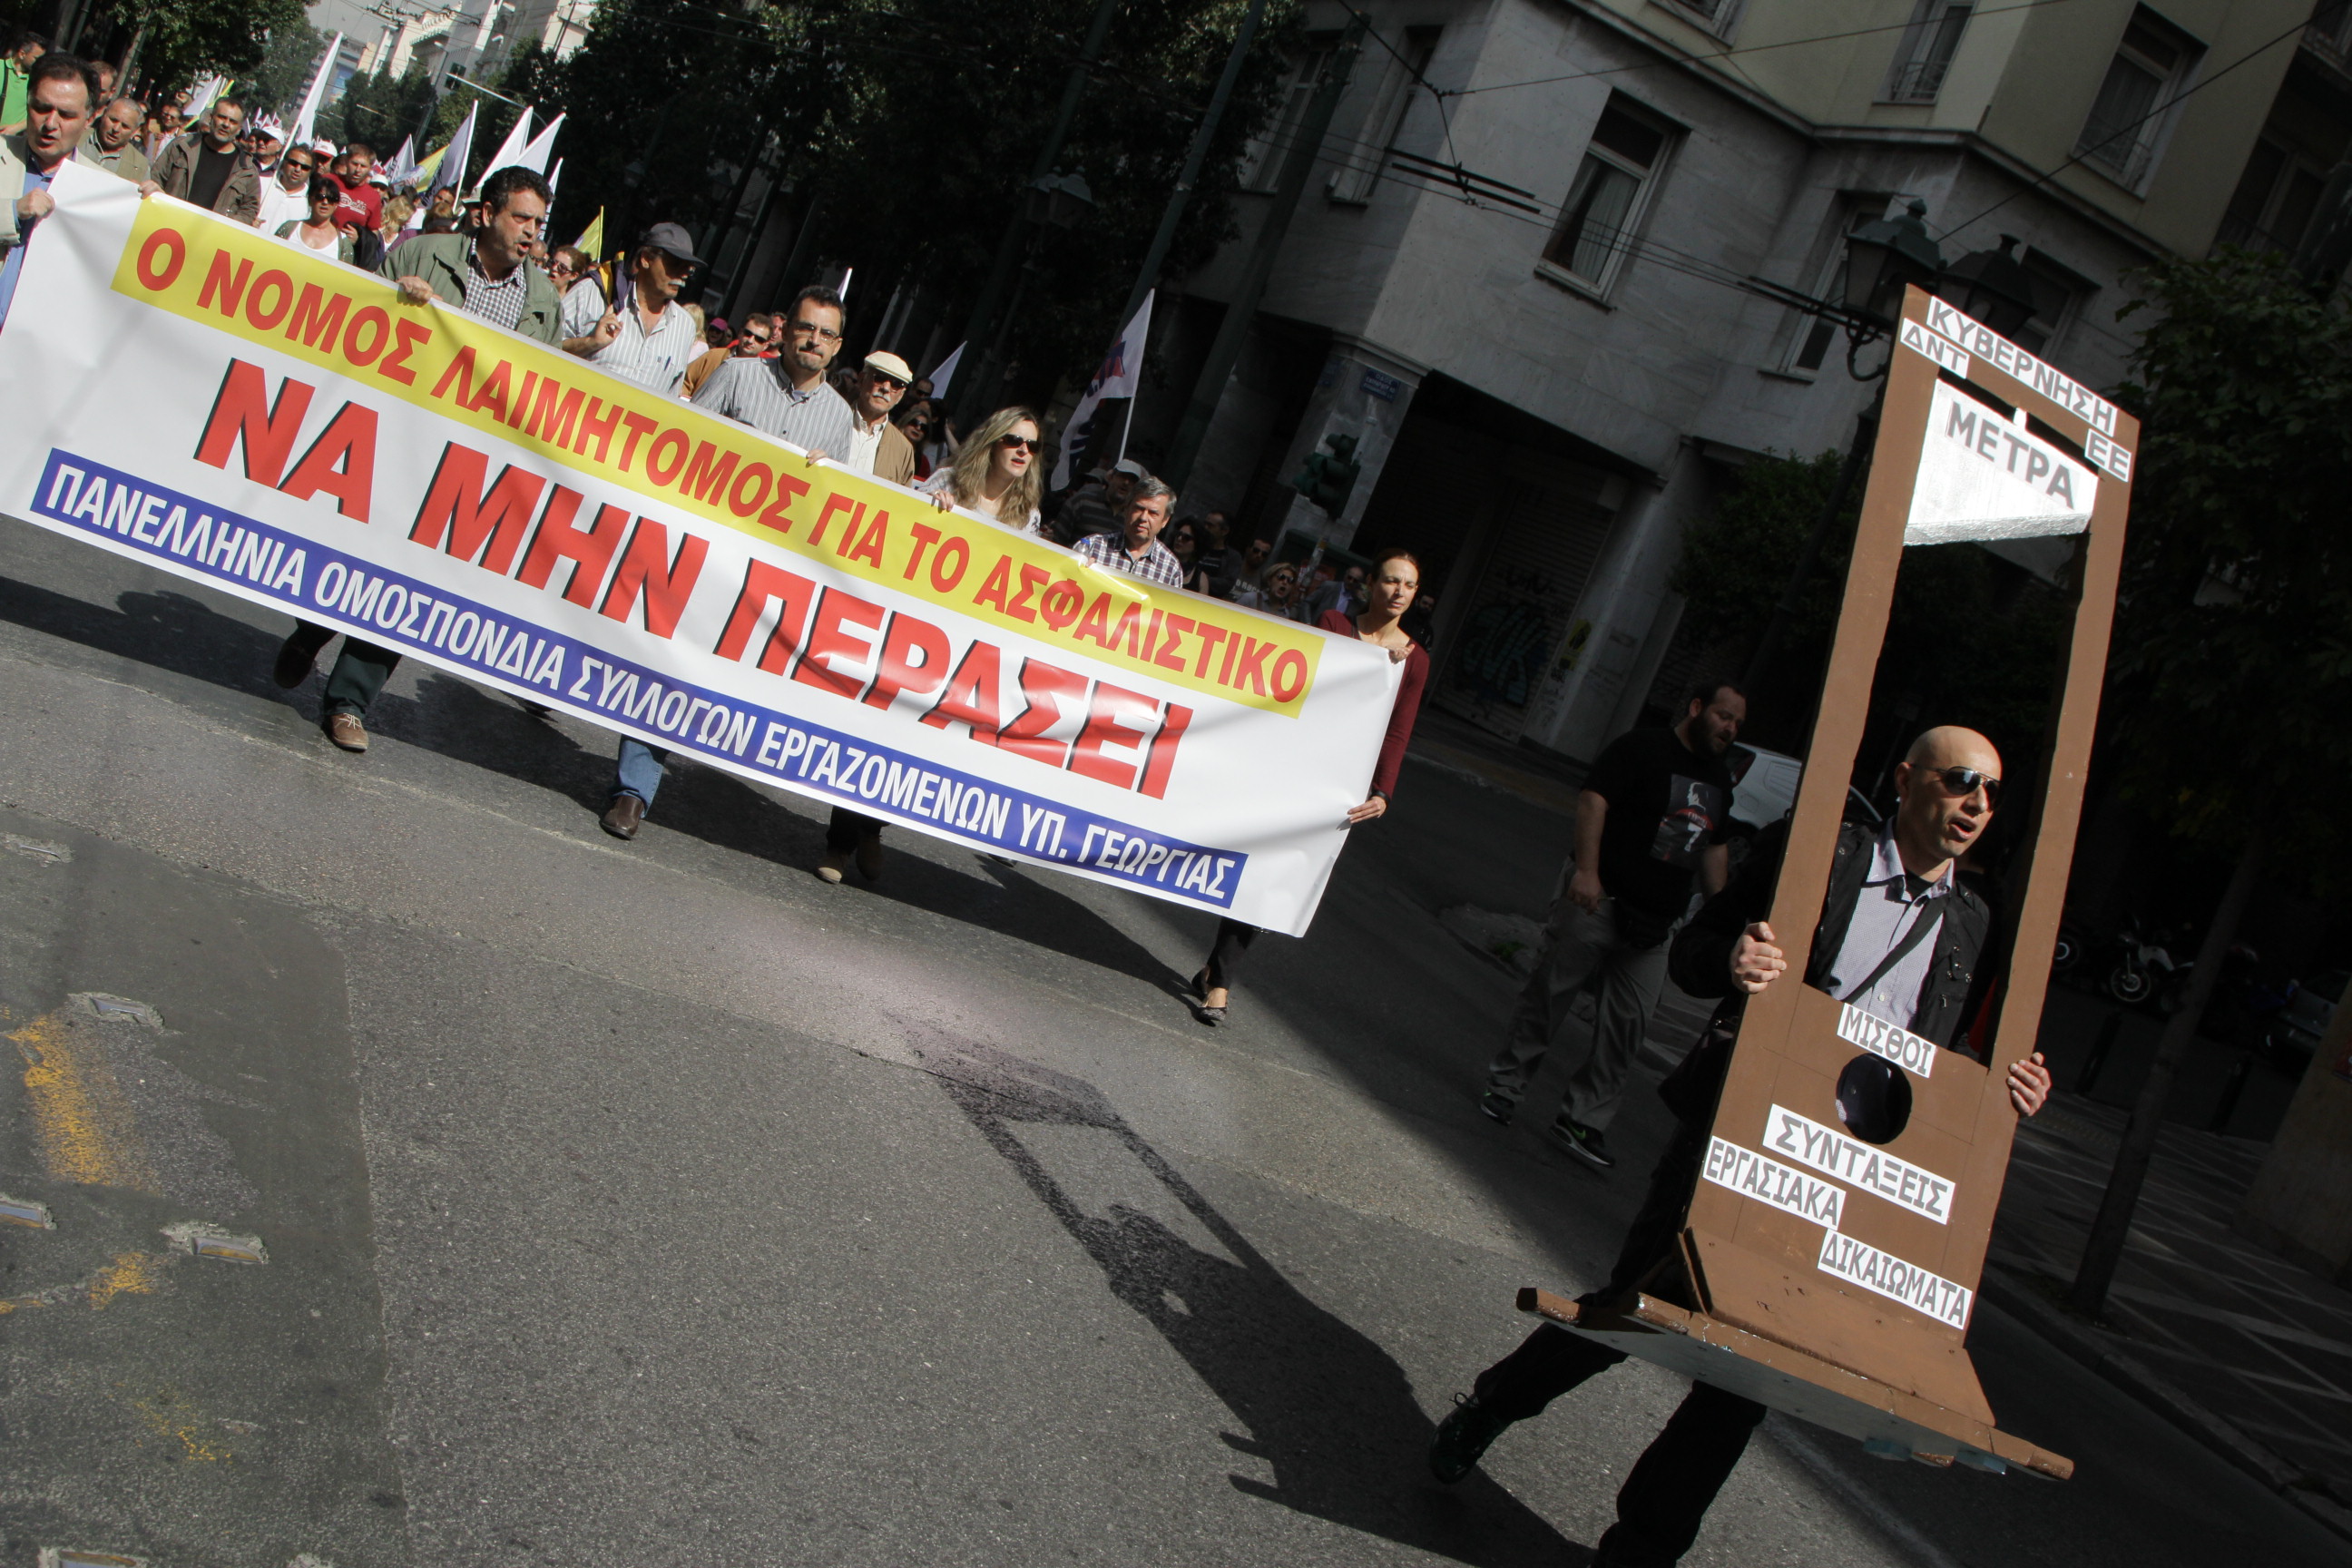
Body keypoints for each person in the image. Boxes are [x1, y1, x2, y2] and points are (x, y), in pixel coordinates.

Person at [1430, 725, 2053, 1568]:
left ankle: (1641, 1549)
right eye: (1960, 782)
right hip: (1735, 1134)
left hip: (1840, 1175)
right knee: (1638, 1307)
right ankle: (1496, 1403)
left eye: (1991, 792)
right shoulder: (1821, 858)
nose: (1977, 805)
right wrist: (1735, 958)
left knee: (1747, 1374)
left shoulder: (1973, 922)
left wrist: (2010, 1089)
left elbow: (1948, 1067)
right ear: (1907, 781)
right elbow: (1694, 953)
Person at [267, 166, 559, 754]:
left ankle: (349, 703)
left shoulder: (543, 300)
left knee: (407, 583)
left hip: (465, 461)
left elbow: (537, 384)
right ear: (486, 214)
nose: (532, 232)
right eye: (521, 218)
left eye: (539, 222)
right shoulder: (424, 253)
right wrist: (397, 299)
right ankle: (311, 630)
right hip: (395, 436)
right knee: (357, 554)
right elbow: (355, 314)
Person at [1479, 681, 1747, 1169]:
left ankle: (1582, 1119)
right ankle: (1506, 1086)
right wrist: (1586, 871)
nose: (1730, 729)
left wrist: (1720, 916)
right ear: (1696, 708)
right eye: (1723, 716)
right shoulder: (1641, 747)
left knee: (1628, 1027)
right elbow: (1593, 800)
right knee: (1548, 997)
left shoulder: (1720, 782)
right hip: (1598, 902)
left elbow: (1714, 849)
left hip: (1656, 926)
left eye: (1737, 723)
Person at [1190, 548, 1432, 1024]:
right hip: (1296, 764)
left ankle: (1216, 972)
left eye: (1408, 585)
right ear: (1371, 585)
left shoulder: (1416, 660)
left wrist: (1382, 791)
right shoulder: (1333, 624)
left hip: (1341, 783)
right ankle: (1219, 983)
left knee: (1279, 873)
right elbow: (1313, 684)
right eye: (1390, 580)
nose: (1398, 592)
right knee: (1256, 862)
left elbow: (1398, 731)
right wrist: (1375, 664)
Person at [0, 53, 98, 328]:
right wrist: (12, 211)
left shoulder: (103, 187)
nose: (50, 124)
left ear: (89, 118)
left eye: (66, 114)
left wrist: (152, 208)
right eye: (42, 108)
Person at [566, 222, 704, 397]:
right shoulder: (592, 292)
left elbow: (671, 398)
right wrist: (590, 343)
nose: (683, 275)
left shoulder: (685, 327)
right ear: (646, 259)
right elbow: (544, 348)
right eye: (675, 263)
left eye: (689, 269)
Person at [915, 406, 1044, 535]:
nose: (1024, 450)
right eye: (1014, 440)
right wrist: (927, 502)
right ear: (993, 442)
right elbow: (908, 521)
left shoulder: (1029, 515)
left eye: (1032, 445)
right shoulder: (948, 481)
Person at [151, 96, 260, 226]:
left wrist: (228, 225)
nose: (226, 124)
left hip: (210, 236)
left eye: (233, 121)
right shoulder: (182, 147)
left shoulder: (247, 169)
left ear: (239, 128)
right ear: (211, 118)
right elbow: (155, 179)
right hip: (168, 225)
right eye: (222, 117)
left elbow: (249, 210)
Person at [1073, 478, 1184, 589]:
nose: (1143, 518)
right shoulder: (1091, 547)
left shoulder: (1171, 569)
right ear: (1126, 509)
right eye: (1138, 509)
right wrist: (1079, 574)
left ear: (1165, 521)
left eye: (1153, 513)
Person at [841, 350, 917, 484]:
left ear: (900, 396)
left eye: (896, 384)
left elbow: (900, 495)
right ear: (861, 380)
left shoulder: (903, 449)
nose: (886, 388)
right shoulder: (830, 419)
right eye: (880, 378)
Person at [680, 309, 772, 399]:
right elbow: (684, 382)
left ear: (766, 345)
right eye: (748, 334)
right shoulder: (714, 356)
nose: (750, 341)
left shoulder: (762, 377)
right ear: (740, 333)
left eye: (759, 339)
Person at [1054, 456, 1140, 544]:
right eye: (1122, 476)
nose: (1126, 482)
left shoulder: (1132, 519)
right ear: (1110, 478)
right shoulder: (1082, 502)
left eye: (1132, 480)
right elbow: (1057, 540)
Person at [275, 172, 355, 263]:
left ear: (336, 205)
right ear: (310, 200)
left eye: (331, 199)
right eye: (320, 197)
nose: (325, 202)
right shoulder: (289, 228)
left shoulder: (343, 244)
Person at [252, 134, 317, 235]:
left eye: (305, 167)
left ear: (310, 172)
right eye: (293, 163)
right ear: (283, 163)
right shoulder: (259, 183)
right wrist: (247, 219)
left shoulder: (310, 203)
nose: (298, 169)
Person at [83, 94, 146, 182]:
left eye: (125, 126)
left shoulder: (140, 165)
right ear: (104, 115)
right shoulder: (78, 137)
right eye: (113, 120)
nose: (116, 129)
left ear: (135, 130)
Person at [550, 242, 605, 340]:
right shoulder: (534, 288)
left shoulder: (572, 304)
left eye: (562, 268)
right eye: (553, 262)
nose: (554, 268)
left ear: (573, 276)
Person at [1233, 559, 1308, 622]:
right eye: (1281, 577)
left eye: (1290, 580)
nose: (1285, 582)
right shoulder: (1250, 599)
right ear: (1269, 580)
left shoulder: (1285, 614)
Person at [0, 33, 44, 136]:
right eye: (36, 58)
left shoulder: (38, 81)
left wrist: (15, 128)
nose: (39, 63)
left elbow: (40, 113)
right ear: (22, 54)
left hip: (11, 141)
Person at [897, 401, 938, 480]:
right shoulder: (886, 445)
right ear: (905, 422)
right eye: (914, 423)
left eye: (924, 428)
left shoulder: (923, 462)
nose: (918, 428)